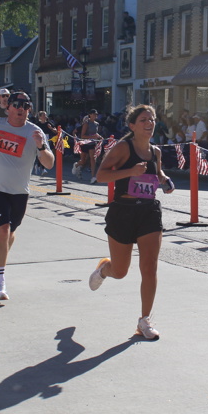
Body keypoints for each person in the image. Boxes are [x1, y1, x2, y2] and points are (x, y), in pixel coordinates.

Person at [85, 105, 173, 339]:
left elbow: (158, 174)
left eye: (152, 119)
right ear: (132, 125)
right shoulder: (123, 148)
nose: (149, 123)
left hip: (148, 212)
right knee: (120, 271)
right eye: (143, 120)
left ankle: (144, 321)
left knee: (149, 267)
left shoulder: (155, 152)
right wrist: (130, 172)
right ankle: (104, 269)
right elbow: (101, 175)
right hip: (123, 212)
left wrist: (165, 181)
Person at [0, 91, 54, 301]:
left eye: (25, 106)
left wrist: (41, 146)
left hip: (19, 192)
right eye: (16, 105)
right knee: (3, 229)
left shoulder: (35, 132)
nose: (21, 109)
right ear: (8, 108)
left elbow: (49, 163)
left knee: (10, 232)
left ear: (29, 110)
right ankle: (0, 283)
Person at [74, 109, 103, 183]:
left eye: (96, 114)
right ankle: (76, 165)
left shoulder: (96, 124)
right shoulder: (86, 123)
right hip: (85, 143)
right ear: (90, 115)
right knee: (83, 161)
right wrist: (93, 137)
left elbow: (95, 133)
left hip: (92, 143)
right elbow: (83, 136)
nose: (95, 115)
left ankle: (93, 177)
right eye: (94, 114)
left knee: (93, 159)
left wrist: (99, 137)